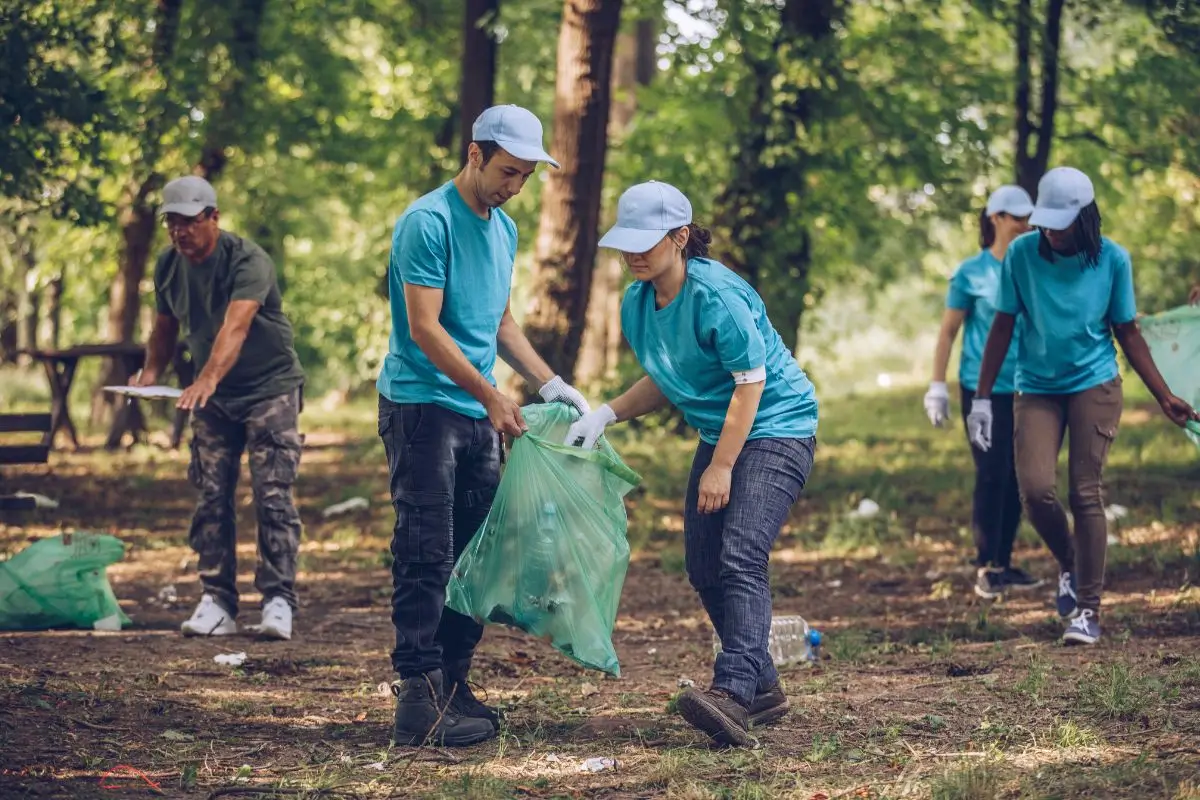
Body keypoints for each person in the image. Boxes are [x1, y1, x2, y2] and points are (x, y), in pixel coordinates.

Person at [565, 181, 818, 747]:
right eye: (626, 242)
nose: (634, 252)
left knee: (741, 556)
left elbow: (750, 385)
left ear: (680, 238)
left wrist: (722, 465)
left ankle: (732, 693)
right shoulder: (638, 301)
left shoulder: (717, 295)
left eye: (646, 241)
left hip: (778, 425)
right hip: (724, 430)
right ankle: (765, 687)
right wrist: (605, 414)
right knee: (704, 565)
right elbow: (667, 377)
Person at [380, 104, 591, 747]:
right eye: (507, 171)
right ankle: (416, 697)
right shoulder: (428, 221)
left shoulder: (503, 229)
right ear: (475, 154)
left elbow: (499, 325)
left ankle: (452, 681)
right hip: (423, 407)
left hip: (478, 410)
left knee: (477, 558)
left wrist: (549, 383)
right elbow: (424, 328)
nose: (514, 186)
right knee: (426, 551)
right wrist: (492, 396)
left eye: (525, 176)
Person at [967, 166, 1200, 646]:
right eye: (1045, 222)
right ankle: (1072, 563)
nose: (1050, 231)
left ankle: (1088, 610)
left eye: (1060, 222)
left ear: (1084, 218)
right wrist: (983, 400)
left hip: (1094, 382)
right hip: (1036, 385)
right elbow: (1002, 326)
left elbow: (1128, 333)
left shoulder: (1113, 259)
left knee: (1085, 493)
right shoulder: (1022, 255)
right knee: (1035, 490)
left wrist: (1164, 397)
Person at [136, 175, 306, 641]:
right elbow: (165, 326)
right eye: (172, 222)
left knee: (272, 495)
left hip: (269, 389)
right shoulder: (169, 264)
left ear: (213, 218)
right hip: (213, 400)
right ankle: (217, 602)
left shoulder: (247, 259)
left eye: (190, 222)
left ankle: (277, 601)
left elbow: (237, 325)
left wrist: (206, 378)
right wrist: (151, 372)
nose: (180, 232)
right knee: (211, 496)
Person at [924, 186, 1043, 600]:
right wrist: (937, 385)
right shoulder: (971, 273)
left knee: (1019, 477)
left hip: (1027, 387)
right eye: (1018, 217)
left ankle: (1004, 563)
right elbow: (947, 332)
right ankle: (984, 564)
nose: (1026, 224)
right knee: (991, 473)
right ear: (995, 218)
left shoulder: (1032, 265)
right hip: (982, 388)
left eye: (1029, 217)